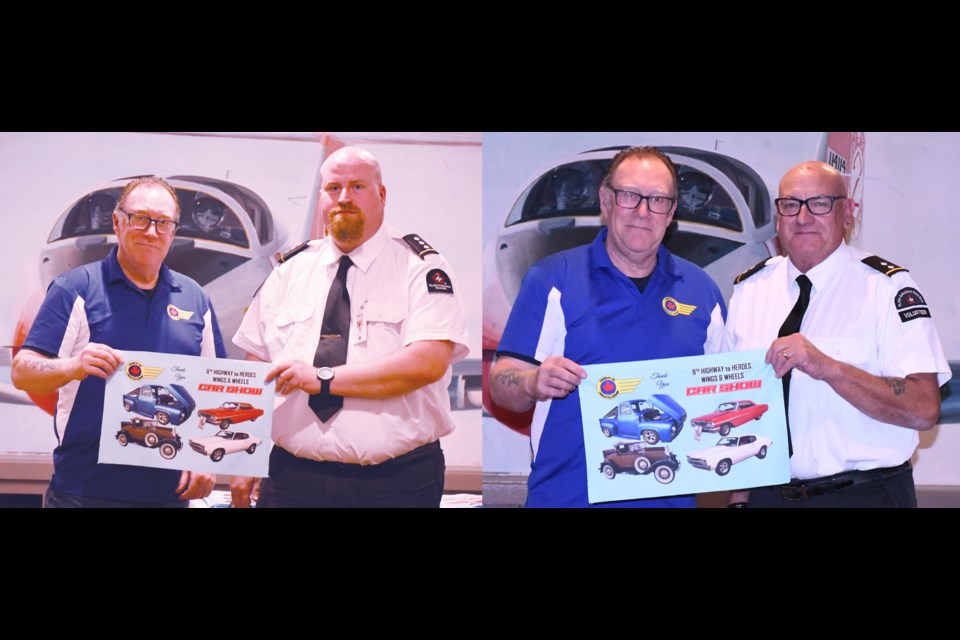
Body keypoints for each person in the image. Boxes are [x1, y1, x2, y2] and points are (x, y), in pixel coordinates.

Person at [230, 146, 469, 508]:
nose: (344, 198)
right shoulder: (289, 270)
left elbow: (428, 362)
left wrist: (323, 379)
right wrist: (244, 450)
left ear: (382, 195)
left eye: (357, 186)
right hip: (291, 479)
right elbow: (255, 363)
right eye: (333, 188)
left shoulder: (421, 268)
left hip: (394, 483)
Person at [489, 146, 726, 508]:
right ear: (605, 200)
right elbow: (502, 381)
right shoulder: (553, 279)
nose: (643, 212)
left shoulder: (703, 291)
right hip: (567, 499)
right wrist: (531, 382)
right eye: (630, 195)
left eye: (658, 200)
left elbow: (720, 397)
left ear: (672, 211)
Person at [723, 161, 949, 508]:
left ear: (847, 215)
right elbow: (731, 401)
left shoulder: (885, 288)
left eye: (820, 203)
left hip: (864, 495)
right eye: (790, 204)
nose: (803, 217)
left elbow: (923, 408)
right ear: (778, 218)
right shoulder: (749, 290)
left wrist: (827, 367)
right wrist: (738, 499)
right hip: (767, 497)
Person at [12, 176, 226, 507]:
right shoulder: (75, 288)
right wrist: (73, 365)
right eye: (140, 218)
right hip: (84, 493)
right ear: (117, 220)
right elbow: (23, 371)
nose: (151, 231)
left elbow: (217, 388)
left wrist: (207, 461)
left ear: (174, 231)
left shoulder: (195, 298)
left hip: (168, 496)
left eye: (163, 223)